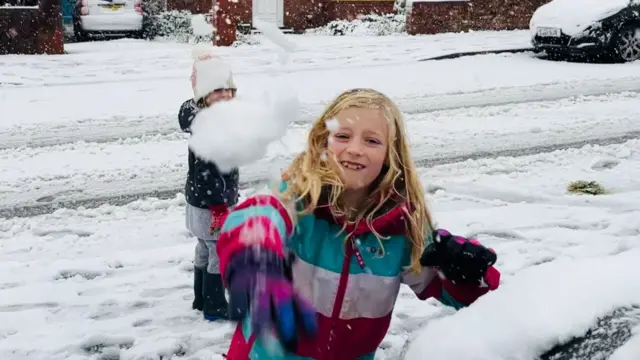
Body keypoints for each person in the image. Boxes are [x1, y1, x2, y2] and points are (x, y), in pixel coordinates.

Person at [216, 88, 501, 359]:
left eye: (372, 140)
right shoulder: (296, 197)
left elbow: (460, 295)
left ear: (391, 155)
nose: (355, 149)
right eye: (343, 135)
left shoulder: (400, 227)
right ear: (322, 140)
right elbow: (251, 220)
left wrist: (466, 273)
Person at [178, 47, 239, 321]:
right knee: (218, 251)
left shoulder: (205, 120)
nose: (225, 95)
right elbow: (207, 173)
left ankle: (201, 299)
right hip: (213, 206)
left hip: (199, 203)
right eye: (217, 91)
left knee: (204, 247)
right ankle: (215, 306)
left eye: (228, 90)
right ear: (203, 95)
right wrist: (219, 206)